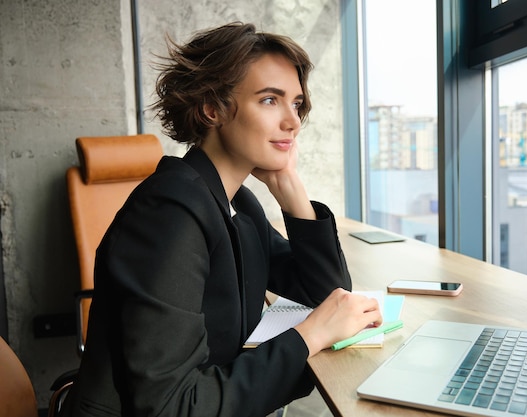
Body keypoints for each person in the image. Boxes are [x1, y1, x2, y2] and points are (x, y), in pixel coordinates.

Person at [60, 22, 382, 417]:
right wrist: (308, 336)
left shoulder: (238, 203)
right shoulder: (169, 214)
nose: (293, 121)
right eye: (269, 100)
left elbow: (327, 297)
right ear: (212, 108)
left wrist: (290, 190)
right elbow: (171, 408)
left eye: (296, 103)